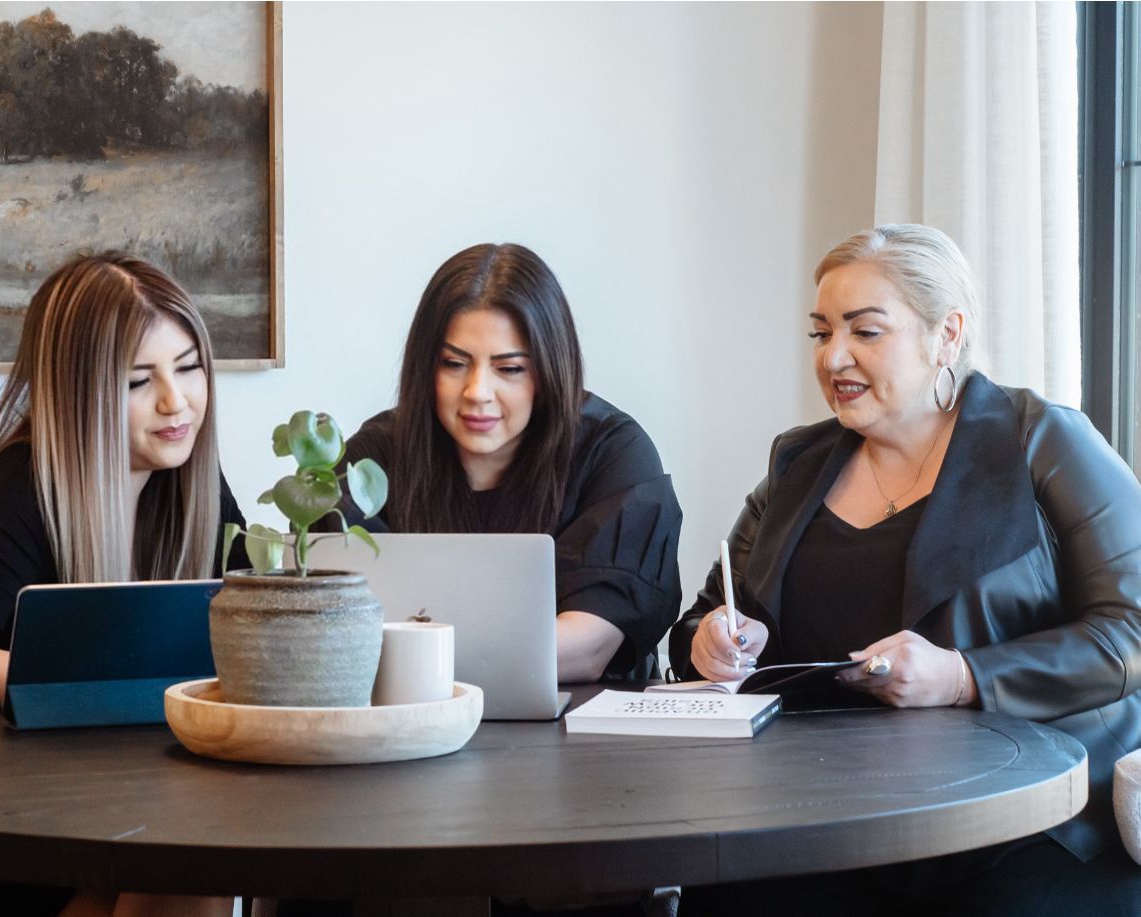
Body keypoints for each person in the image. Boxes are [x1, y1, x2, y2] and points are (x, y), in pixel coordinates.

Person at [670, 224, 1141, 914]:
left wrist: (963, 676)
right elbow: (703, 619)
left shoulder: (1041, 438)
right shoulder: (794, 465)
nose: (834, 357)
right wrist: (708, 642)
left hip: (1031, 822)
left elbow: (1129, 630)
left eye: (865, 331)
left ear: (945, 335)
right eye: (821, 332)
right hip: (823, 820)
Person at [0, 253, 244, 917]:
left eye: (189, 366)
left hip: (71, 803)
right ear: (80, 389)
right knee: (184, 857)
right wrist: (123, 684)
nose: (176, 401)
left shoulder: (193, 486)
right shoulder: (16, 487)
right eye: (137, 380)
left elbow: (248, 622)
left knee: (194, 855)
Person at [332, 242, 682, 683]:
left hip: (582, 737)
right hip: (408, 727)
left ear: (551, 368)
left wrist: (417, 654)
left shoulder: (612, 452)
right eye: (454, 363)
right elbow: (332, 620)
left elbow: (588, 647)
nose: (477, 391)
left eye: (510, 369)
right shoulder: (374, 460)